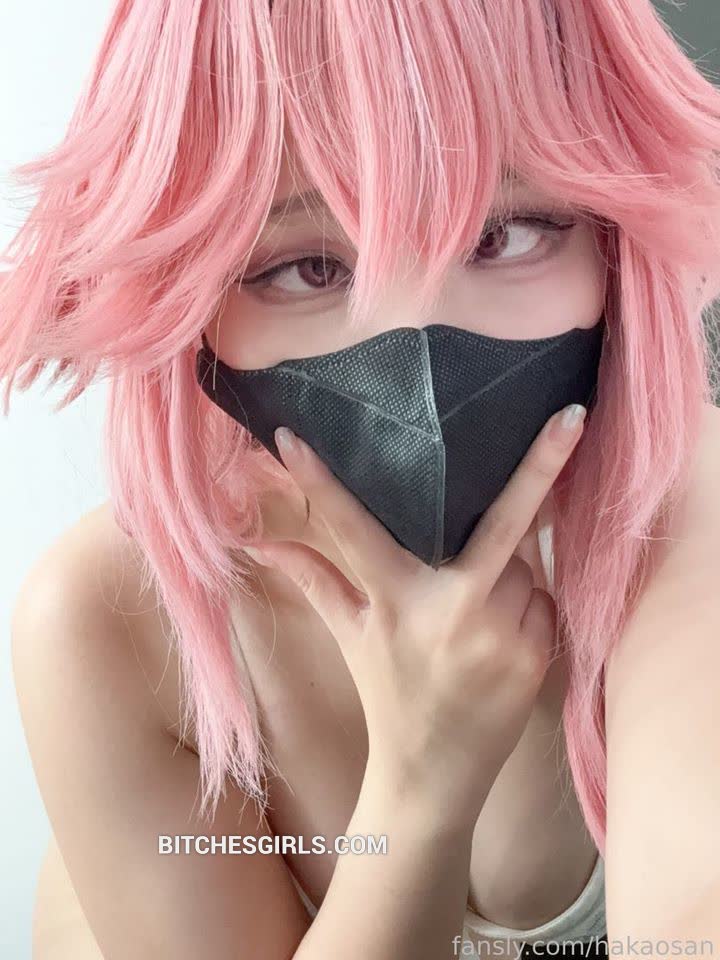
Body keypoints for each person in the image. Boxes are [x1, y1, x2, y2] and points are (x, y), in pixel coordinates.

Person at [3, 1, 720, 958]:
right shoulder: (112, 622)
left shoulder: (679, 509)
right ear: (187, 300)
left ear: (612, 238)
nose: (413, 348)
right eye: (307, 267)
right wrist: (421, 787)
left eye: (506, 234)